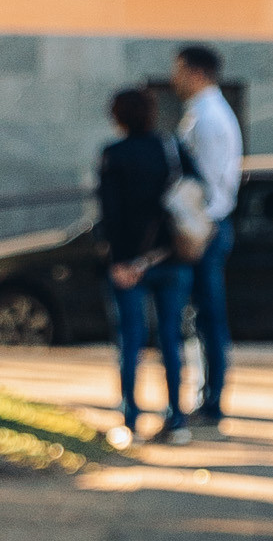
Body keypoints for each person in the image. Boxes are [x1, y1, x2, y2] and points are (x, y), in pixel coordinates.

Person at [97, 88, 190, 447]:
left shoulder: (114, 154)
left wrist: (121, 262)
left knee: (131, 340)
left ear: (118, 117)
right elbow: (193, 193)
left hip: (128, 264)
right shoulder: (170, 149)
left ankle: (130, 421)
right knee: (171, 339)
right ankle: (177, 420)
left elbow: (111, 214)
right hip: (172, 257)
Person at [172, 43, 242, 430]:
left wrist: (199, 227)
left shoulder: (209, 118)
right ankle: (208, 397)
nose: (174, 78)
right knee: (203, 317)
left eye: (178, 70)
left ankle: (212, 401)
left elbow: (211, 183)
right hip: (208, 225)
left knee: (209, 317)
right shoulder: (207, 112)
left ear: (194, 71)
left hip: (206, 227)